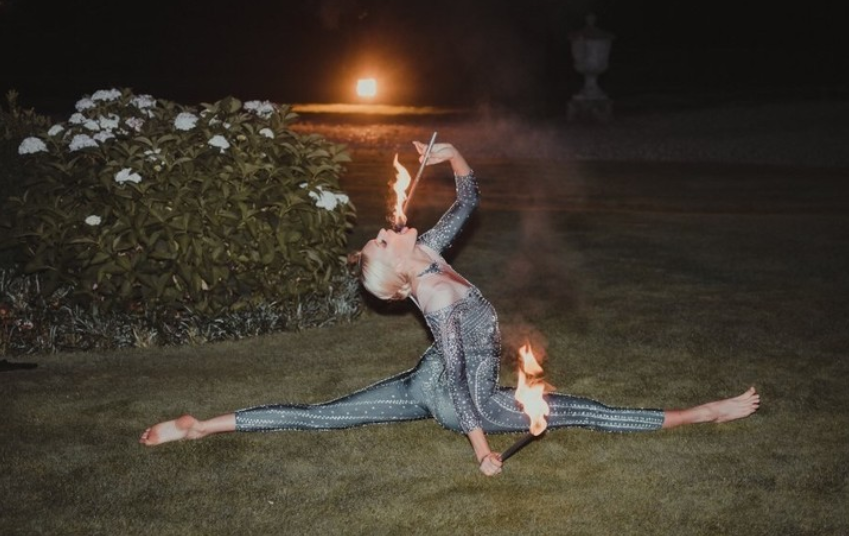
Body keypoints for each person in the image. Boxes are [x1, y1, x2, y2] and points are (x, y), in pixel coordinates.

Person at [140, 142, 760, 477]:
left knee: (323, 418)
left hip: (423, 383)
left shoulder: (429, 251)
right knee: (588, 413)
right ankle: (706, 412)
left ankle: (200, 426)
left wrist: (454, 154)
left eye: (385, 232)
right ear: (400, 271)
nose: (391, 228)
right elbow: (466, 384)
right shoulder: (435, 296)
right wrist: (482, 448)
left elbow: (467, 200)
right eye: (385, 240)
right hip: (467, 396)